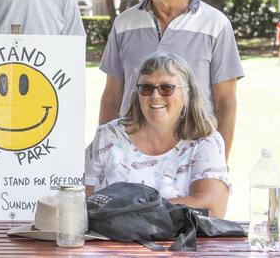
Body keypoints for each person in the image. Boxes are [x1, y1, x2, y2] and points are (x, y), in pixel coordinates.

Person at [98, 0, 243, 160]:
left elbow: (226, 102)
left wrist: (217, 166)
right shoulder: (124, 23)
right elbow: (112, 98)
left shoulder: (216, 25)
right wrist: (103, 156)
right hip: (129, 159)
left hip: (193, 158)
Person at [86, 53, 230, 218]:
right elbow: (80, 200)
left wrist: (125, 210)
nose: (155, 96)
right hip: (109, 242)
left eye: (166, 88)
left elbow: (212, 208)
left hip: (180, 243)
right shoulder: (108, 135)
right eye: (146, 88)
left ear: (187, 94)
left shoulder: (205, 141)